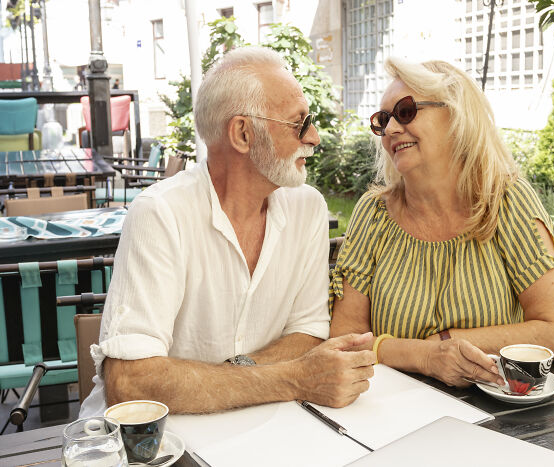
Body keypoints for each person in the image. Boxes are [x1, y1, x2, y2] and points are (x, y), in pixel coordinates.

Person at [80, 47, 375, 416]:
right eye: (299, 122)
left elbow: (308, 335)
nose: (314, 137)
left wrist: (223, 381)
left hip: (256, 427)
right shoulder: (161, 213)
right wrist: (291, 379)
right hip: (151, 444)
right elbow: (130, 383)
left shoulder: (308, 208)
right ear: (243, 134)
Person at [329, 57, 554, 388]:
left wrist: (447, 340)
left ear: (456, 115)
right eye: (383, 119)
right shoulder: (373, 213)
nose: (390, 129)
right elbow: (345, 342)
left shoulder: (504, 200)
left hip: (495, 414)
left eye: (405, 112)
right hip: (390, 412)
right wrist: (425, 356)